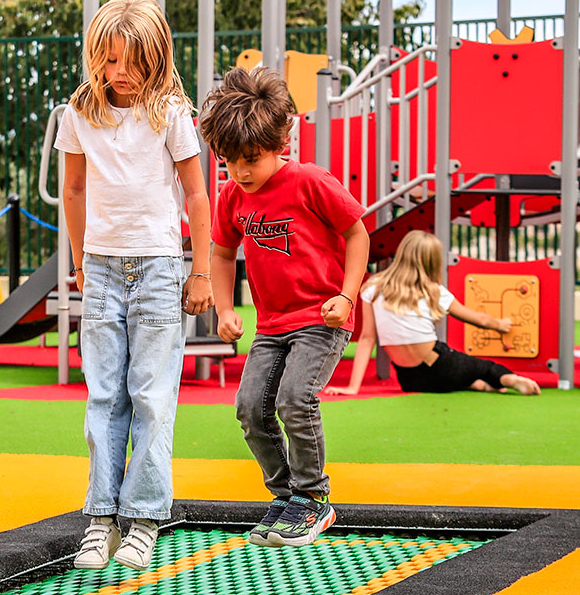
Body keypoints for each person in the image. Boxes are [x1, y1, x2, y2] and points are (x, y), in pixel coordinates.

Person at [55, 0, 214, 572]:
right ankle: (101, 517)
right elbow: (74, 191)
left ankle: (143, 517)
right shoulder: (78, 115)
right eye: (109, 60)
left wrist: (200, 270)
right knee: (104, 392)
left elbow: (197, 194)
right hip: (100, 266)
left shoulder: (171, 114)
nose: (118, 74)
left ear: (156, 59)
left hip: (157, 267)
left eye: (132, 63)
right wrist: (79, 260)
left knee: (151, 392)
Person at [199, 66, 369, 548]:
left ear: (280, 144)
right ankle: (287, 497)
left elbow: (357, 232)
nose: (242, 171)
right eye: (230, 161)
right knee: (251, 408)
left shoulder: (311, 182)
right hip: (272, 325)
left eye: (252, 159)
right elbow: (222, 252)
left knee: (295, 398)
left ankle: (314, 500)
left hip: (321, 317)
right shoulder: (232, 195)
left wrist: (347, 294)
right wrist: (226, 308)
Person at [327, 230, 541, 396]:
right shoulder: (433, 291)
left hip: (409, 379)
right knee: (485, 367)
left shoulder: (372, 288)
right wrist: (500, 324)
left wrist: (353, 387)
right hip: (438, 364)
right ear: (433, 262)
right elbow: (478, 319)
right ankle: (511, 380)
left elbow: (366, 339)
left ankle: (477, 385)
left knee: (463, 377)